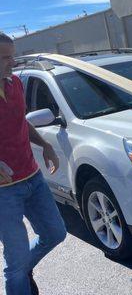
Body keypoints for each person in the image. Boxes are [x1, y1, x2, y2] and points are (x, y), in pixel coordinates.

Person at [0, 33, 67, 295]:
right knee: (14, 265)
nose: (12, 61)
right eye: (5, 58)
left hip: (33, 177)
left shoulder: (15, 83)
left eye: (12, 55)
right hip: (4, 192)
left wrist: (45, 145)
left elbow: (21, 122)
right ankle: (20, 274)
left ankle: (24, 268)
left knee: (55, 233)